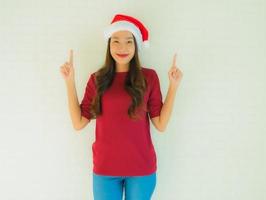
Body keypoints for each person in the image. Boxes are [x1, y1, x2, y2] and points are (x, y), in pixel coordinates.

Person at [59, 14, 183, 200]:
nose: (122, 47)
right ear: (109, 45)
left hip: (141, 169)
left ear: (136, 46)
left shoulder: (149, 78)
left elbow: (160, 124)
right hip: (105, 170)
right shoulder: (97, 79)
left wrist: (173, 86)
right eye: (116, 41)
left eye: (128, 41)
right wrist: (69, 82)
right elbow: (78, 122)